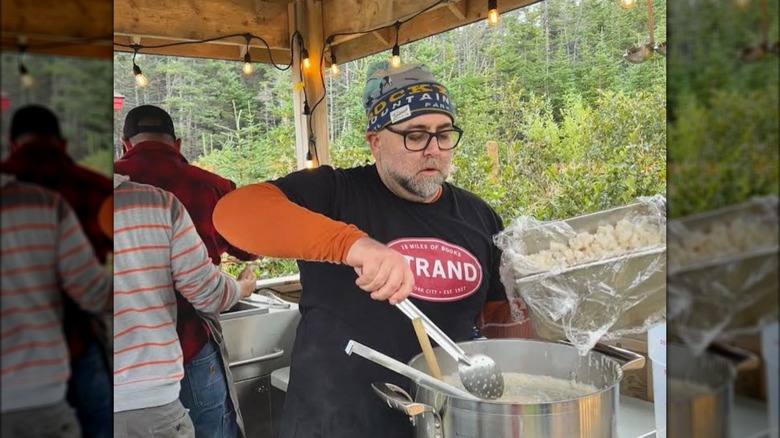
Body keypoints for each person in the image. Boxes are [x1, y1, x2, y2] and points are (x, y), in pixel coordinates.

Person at [212, 62, 535, 438]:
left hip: (441, 423)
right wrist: (352, 245)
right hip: (332, 423)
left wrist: (536, 316)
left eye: (444, 134)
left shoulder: (479, 215)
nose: (433, 150)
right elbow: (234, 212)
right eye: (415, 135)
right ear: (375, 141)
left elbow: (496, 316)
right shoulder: (333, 193)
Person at [114, 105, 258, 437]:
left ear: (124, 144)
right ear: (177, 144)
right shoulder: (210, 187)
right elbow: (249, 248)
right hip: (192, 342)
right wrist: (241, 287)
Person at [2, 104, 113, 438]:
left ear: (12, 144)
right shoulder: (97, 189)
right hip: (77, 347)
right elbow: (94, 292)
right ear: (62, 143)